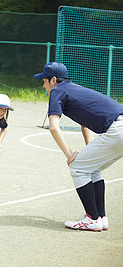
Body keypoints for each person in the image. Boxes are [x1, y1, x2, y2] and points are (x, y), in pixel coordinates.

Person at [34, 62, 123, 231]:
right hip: (120, 127)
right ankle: (100, 218)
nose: (43, 85)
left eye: (44, 81)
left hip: (118, 130)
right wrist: (91, 150)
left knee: (78, 167)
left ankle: (92, 219)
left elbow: (53, 127)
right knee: (91, 167)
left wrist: (69, 155)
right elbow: (85, 124)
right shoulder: (74, 89)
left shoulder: (57, 91)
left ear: (53, 80)